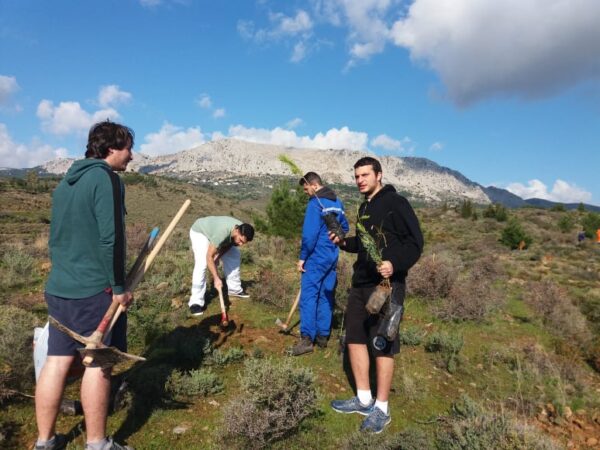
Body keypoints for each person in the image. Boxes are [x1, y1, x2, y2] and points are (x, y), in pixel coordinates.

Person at [34, 121, 135, 450]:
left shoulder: (66, 182)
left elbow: (57, 235)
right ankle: (97, 444)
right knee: (98, 363)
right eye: (127, 148)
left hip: (60, 286)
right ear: (110, 150)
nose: (131, 156)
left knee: (57, 361)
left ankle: (44, 441)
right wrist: (118, 287)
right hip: (93, 290)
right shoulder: (106, 179)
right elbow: (112, 238)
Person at [329, 157, 423, 433]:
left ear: (379, 175)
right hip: (361, 283)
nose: (360, 180)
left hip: (386, 285)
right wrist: (344, 242)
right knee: (355, 337)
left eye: (365, 175)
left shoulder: (396, 203)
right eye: (356, 176)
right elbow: (362, 243)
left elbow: (415, 243)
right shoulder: (364, 207)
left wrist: (395, 263)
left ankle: (381, 408)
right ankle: (363, 398)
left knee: (382, 342)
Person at [291, 172, 349, 356]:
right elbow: (345, 228)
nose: (306, 192)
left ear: (314, 185)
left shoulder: (315, 203)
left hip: (316, 257)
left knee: (309, 296)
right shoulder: (337, 202)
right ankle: (323, 336)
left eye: (306, 188)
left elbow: (309, 235)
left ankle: (307, 339)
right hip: (332, 256)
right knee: (326, 294)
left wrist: (302, 258)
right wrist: (334, 237)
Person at [188, 216, 255, 315]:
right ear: (237, 231)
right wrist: (216, 278)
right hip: (200, 232)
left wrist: (218, 257)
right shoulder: (222, 232)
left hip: (215, 233)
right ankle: (195, 302)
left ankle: (234, 290)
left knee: (234, 254)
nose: (241, 244)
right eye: (240, 240)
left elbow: (229, 244)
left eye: (243, 243)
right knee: (202, 263)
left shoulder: (242, 228)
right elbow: (209, 256)